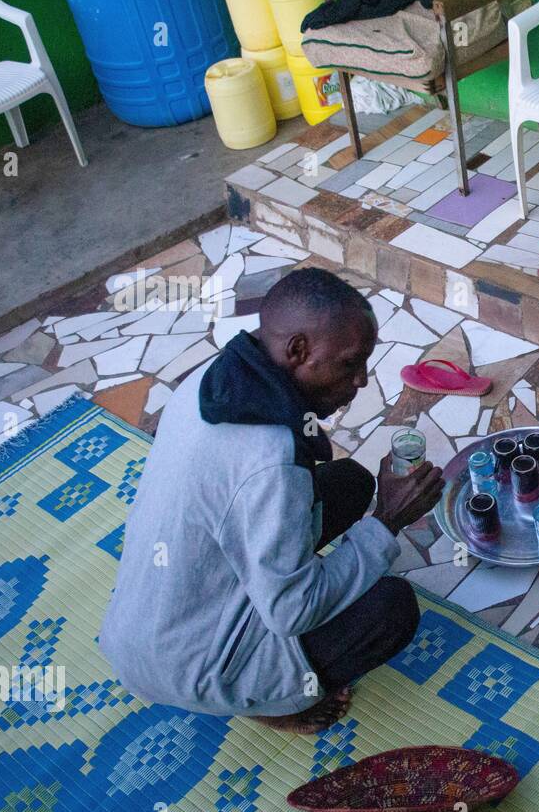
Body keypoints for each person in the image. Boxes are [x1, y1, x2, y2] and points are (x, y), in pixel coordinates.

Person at [99, 268, 444, 734]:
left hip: (147, 626)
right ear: (297, 350)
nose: (361, 380)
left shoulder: (214, 379)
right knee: (392, 609)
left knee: (351, 481)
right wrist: (387, 521)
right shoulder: (270, 465)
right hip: (192, 667)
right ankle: (276, 701)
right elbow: (292, 611)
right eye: (348, 364)